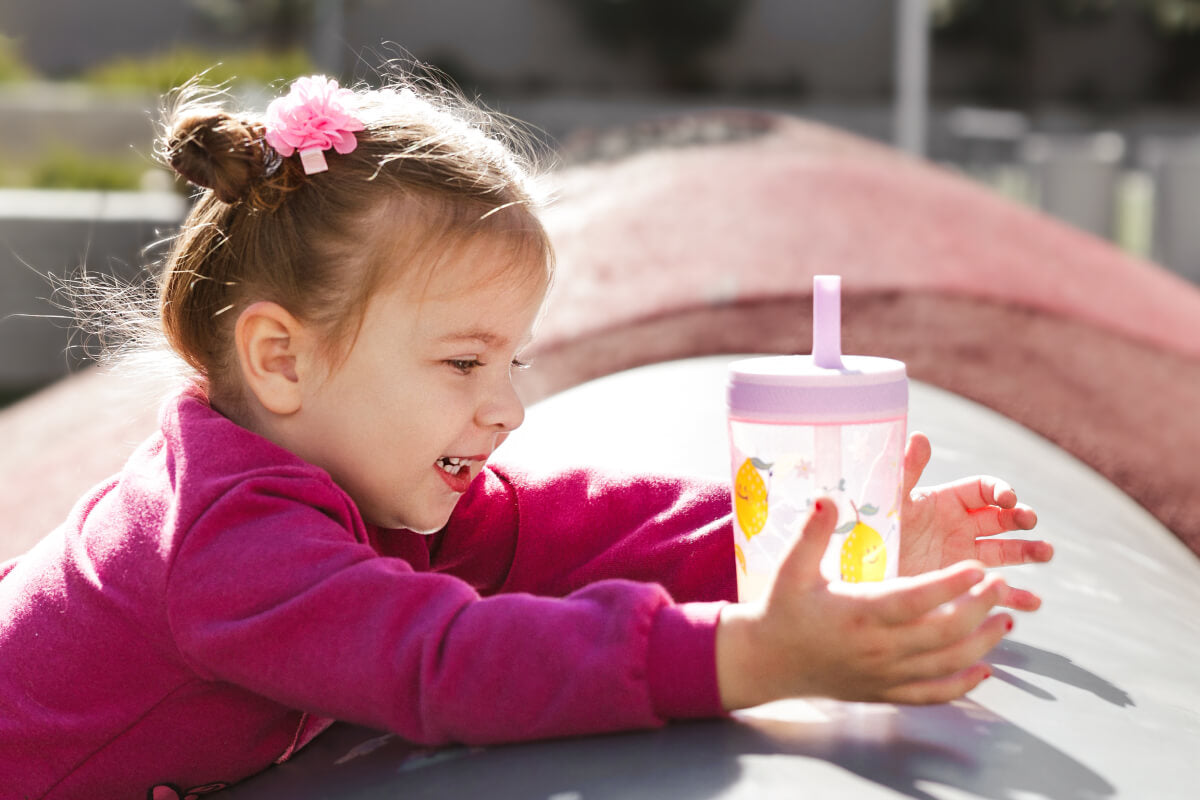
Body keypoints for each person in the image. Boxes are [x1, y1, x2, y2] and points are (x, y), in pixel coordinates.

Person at [0, 70, 1051, 798]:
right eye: (463, 362)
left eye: (515, 361)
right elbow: (442, 660)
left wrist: (824, 537)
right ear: (282, 358)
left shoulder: (356, 479)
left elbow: (571, 531)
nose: (504, 406)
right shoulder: (229, 539)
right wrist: (749, 655)